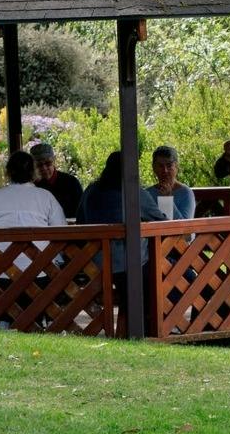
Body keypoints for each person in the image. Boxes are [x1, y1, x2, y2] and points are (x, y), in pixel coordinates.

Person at [82, 152, 168, 336]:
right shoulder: (135, 193)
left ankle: (128, 327)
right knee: (157, 272)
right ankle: (148, 329)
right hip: (128, 266)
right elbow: (161, 222)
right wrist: (167, 198)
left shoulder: (91, 191)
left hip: (94, 265)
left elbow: (81, 220)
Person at [0, 151, 67, 276]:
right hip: (41, 271)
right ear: (33, 171)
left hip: (0, 273)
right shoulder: (46, 197)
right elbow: (61, 232)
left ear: (8, 172)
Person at [32, 142, 84, 220]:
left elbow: (81, 213)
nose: (44, 168)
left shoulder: (71, 183)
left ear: (54, 161)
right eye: (39, 165)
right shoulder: (32, 186)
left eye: (48, 163)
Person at [146, 146, 196, 221]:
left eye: (169, 165)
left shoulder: (186, 193)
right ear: (154, 167)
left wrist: (167, 199)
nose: (165, 170)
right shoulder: (148, 194)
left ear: (176, 167)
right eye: (160, 166)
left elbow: (185, 228)